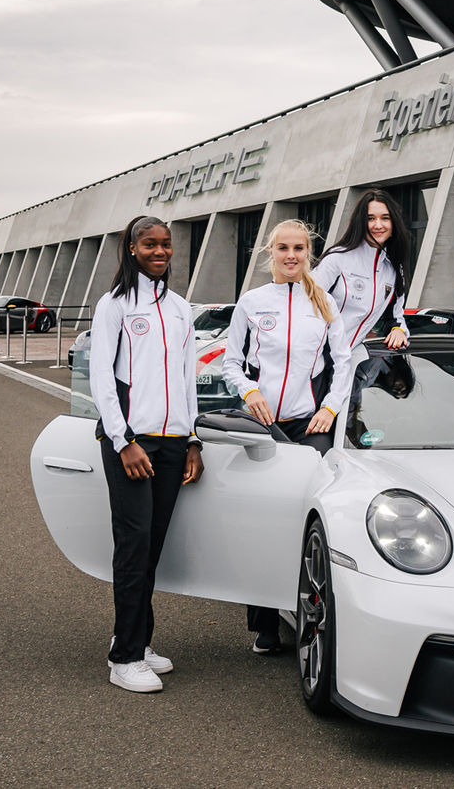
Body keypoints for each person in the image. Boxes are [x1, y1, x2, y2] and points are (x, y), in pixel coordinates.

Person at [222, 220, 352, 654]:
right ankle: (263, 625)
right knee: (261, 520)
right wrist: (250, 390)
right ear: (270, 252)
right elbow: (230, 364)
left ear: (307, 254)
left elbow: (344, 362)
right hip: (261, 425)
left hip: (307, 423)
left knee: (306, 516)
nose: (291, 255)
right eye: (283, 248)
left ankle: (309, 610)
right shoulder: (252, 302)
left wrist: (330, 408)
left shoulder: (325, 302)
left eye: (298, 248)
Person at [89, 215, 204, 694]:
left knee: (152, 546)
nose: (160, 252)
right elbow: (101, 378)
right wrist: (123, 439)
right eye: (149, 244)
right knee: (133, 546)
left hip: (174, 444)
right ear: (131, 249)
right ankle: (124, 658)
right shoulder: (114, 304)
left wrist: (194, 437)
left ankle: (136, 637)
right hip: (132, 443)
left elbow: (187, 377)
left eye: (166, 245)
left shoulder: (180, 307)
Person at [312, 188, 411, 349]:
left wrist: (398, 330)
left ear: (393, 223)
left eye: (385, 218)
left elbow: (394, 316)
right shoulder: (337, 259)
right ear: (360, 222)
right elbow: (302, 304)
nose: (378, 225)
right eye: (370, 218)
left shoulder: (393, 270)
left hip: (344, 363)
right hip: (312, 359)